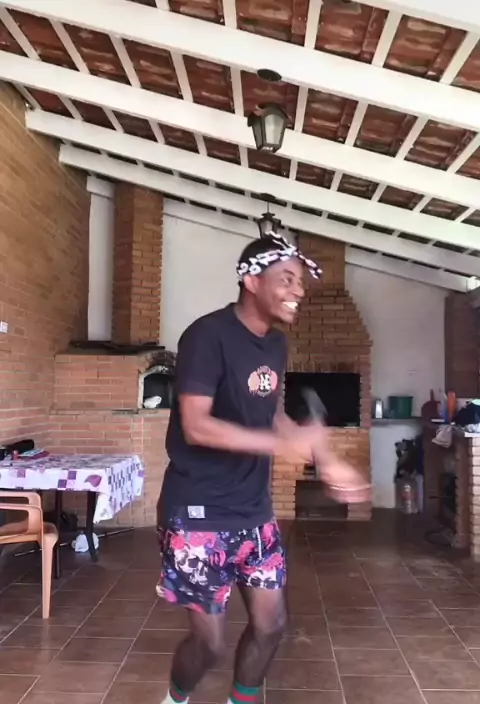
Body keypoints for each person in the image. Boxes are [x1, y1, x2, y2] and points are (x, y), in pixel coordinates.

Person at [157, 233, 367, 704]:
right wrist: (282, 444)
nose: (299, 291)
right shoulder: (206, 336)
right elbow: (196, 425)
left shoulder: (274, 344)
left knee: (271, 627)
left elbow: (269, 413)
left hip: (254, 511)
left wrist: (324, 458)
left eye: (301, 282)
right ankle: (175, 698)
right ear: (251, 280)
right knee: (209, 645)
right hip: (198, 513)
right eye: (287, 279)